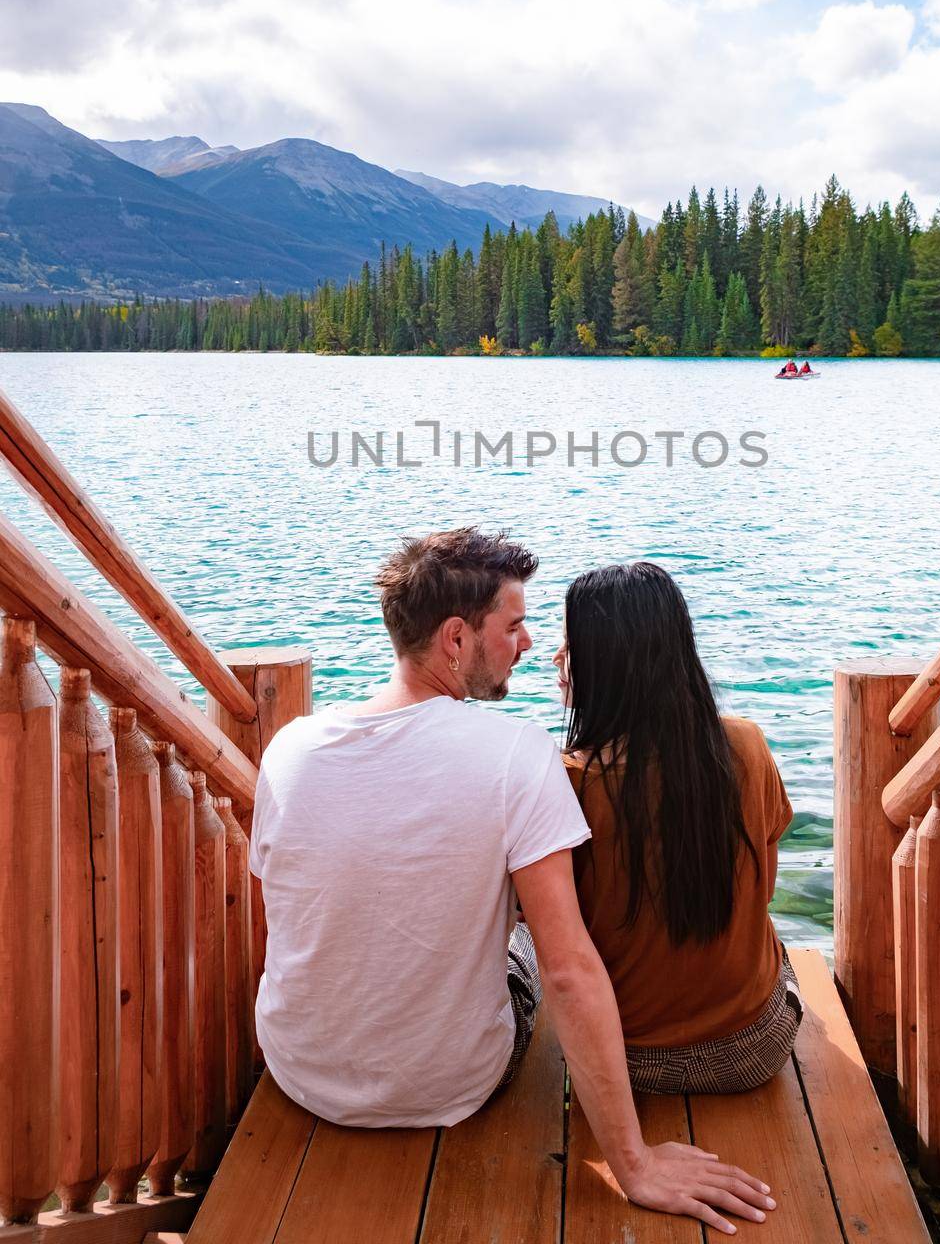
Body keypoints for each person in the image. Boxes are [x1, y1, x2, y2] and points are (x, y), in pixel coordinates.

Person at [250, 527, 774, 1231]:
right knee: (527, 940)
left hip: (299, 1070)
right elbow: (565, 970)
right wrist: (634, 1164)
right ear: (457, 640)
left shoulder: (289, 746)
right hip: (454, 1085)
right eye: (516, 625)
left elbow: (289, 903)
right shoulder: (516, 754)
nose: (528, 644)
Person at [554, 561, 801, 1096]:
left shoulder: (568, 780)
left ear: (606, 662)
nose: (557, 659)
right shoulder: (745, 744)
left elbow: (561, 940)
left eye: (570, 645)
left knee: (528, 933)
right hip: (756, 1047)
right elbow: (764, 888)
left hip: (627, 1061)